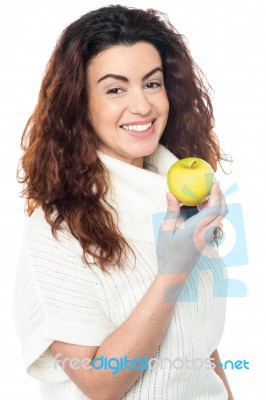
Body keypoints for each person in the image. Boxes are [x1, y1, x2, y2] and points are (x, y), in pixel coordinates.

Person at [13, 4, 234, 400]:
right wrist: (171, 273)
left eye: (152, 83)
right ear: (79, 103)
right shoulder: (58, 230)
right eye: (115, 89)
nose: (143, 106)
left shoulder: (188, 193)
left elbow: (197, 343)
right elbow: (102, 384)